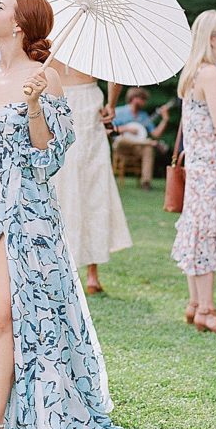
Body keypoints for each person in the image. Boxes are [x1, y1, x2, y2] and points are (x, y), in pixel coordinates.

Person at [0, 0, 139, 429]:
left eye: (2, 7)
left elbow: (49, 158)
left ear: (23, 24)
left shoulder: (45, 78)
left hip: (23, 211)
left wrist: (33, 108)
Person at [171, 10, 216, 338]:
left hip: (199, 167)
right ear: (212, 37)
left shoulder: (193, 72)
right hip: (212, 169)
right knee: (208, 235)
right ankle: (207, 310)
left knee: (196, 231)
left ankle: (195, 303)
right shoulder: (211, 73)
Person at [51, 61, 132, 295]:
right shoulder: (94, 32)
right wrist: (112, 104)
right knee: (93, 185)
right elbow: (115, 71)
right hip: (87, 98)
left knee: (61, 184)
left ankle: (63, 265)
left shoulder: (47, 28)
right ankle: (92, 274)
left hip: (56, 98)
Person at [112, 87, 171, 189]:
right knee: (122, 140)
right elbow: (110, 130)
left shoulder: (144, 116)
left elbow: (156, 134)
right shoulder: (119, 111)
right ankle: (150, 143)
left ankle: (146, 183)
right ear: (134, 98)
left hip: (137, 147)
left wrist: (165, 119)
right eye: (142, 99)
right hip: (122, 145)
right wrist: (126, 129)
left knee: (148, 149)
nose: (144, 102)